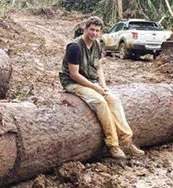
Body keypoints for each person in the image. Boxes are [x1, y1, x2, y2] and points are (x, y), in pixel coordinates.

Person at [59, 16, 144, 159]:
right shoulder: (74, 47)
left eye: (97, 31)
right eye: (91, 29)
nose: (94, 33)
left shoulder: (97, 45)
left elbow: (98, 68)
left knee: (114, 100)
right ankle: (113, 144)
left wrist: (103, 86)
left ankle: (126, 141)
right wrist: (95, 88)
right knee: (100, 102)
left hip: (92, 80)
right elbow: (74, 74)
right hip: (73, 82)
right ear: (85, 29)